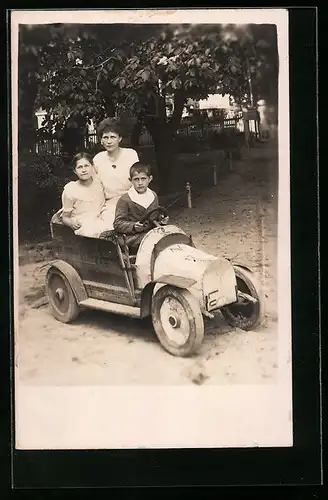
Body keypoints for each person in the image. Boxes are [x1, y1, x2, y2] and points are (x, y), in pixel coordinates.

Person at [93, 118, 139, 229]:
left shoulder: (130, 155)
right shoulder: (97, 159)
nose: (109, 141)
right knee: (107, 228)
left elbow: (138, 180)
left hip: (132, 201)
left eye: (113, 137)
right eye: (105, 137)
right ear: (101, 140)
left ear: (120, 138)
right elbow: (95, 188)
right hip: (110, 205)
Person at [113, 162, 169, 250]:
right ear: (130, 180)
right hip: (130, 237)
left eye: (143, 179)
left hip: (150, 233)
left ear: (150, 179)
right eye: (136, 179)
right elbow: (118, 223)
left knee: (168, 236)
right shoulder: (125, 199)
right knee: (154, 241)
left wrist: (161, 220)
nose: (140, 183)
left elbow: (155, 216)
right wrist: (134, 226)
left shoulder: (153, 195)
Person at [61, 152, 110, 238]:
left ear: (92, 167)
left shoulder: (99, 184)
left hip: (99, 221)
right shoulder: (70, 189)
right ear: (74, 171)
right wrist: (71, 223)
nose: (84, 170)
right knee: (92, 233)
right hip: (83, 225)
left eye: (86, 166)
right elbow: (65, 217)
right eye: (80, 167)